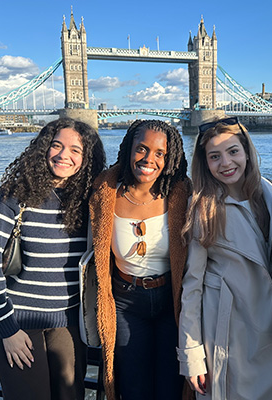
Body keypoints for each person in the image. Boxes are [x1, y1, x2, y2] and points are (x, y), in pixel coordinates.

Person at [0, 117, 106, 400]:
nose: (63, 155)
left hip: (67, 325)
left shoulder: (87, 201)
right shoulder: (15, 195)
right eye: (56, 146)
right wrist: (8, 328)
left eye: (75, 150)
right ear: (43, 148)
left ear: (87, 158)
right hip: (18, 324)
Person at [177, 117, 272, 399]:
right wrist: (191, 356)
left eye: (233, 151)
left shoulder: (271, 191)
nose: (226, 163)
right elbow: (192, 287)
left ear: (247, 151)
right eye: (214, 156)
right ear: (205, 163)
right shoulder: (203, 208)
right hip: (230, 335)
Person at [88, 120, 192, 400]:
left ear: (170, 158)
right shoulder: (104, 191)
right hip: (125, 303)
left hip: (171, 302)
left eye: (160, 153)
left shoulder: (181, 193)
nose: (149, 160)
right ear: (128, 150)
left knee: (171, 385)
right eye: (142, 149)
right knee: (133, 387)